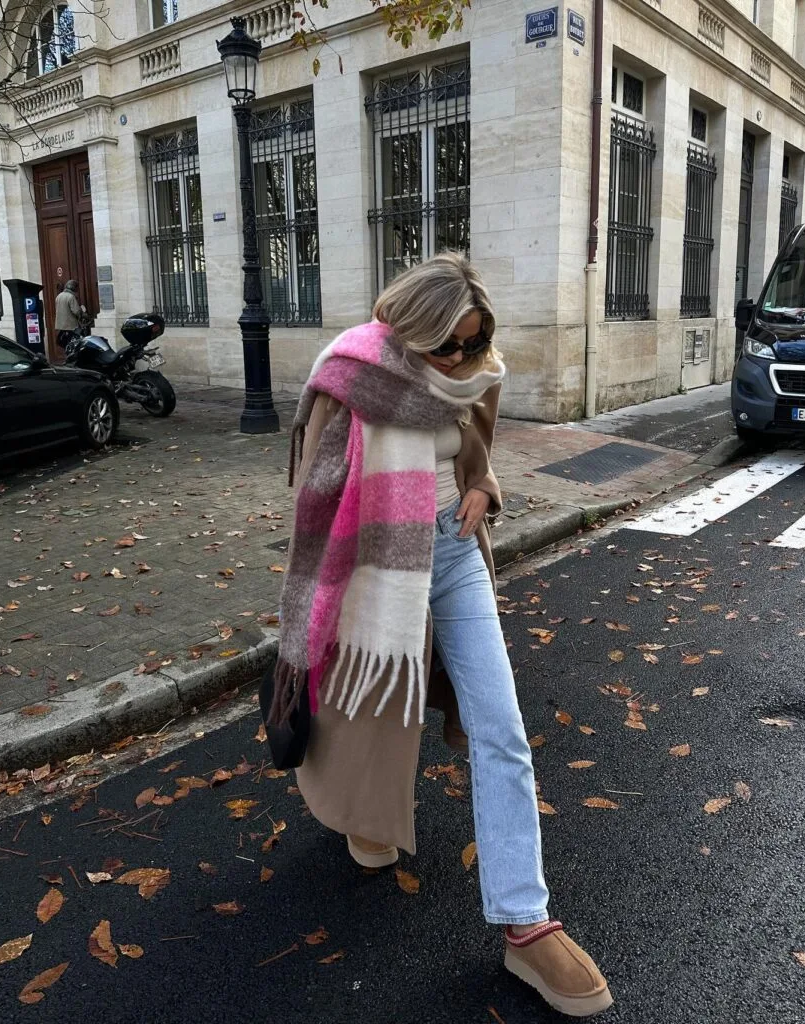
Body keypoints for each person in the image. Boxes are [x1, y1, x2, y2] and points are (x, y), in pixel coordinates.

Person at [272, 252, 613, 1018]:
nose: (462, 358)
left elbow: (474, 449)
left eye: (472, 341)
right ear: (404, 329)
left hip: (453, 561)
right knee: (367, 716)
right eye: (447, 345)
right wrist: (329, 595)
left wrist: (484, 488)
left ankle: (525, 926)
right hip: (370, 567)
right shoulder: (350, 379)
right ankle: (362, 815)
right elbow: (313, 503)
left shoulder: (472, 373)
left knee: (502, 729)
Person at [54, 280, 85, 349]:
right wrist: (82, 312)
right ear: (74, 288)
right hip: (70, 326)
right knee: (74, 345)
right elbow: (76, 311)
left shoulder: (59, 296)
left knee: (66, 345)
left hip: (61, 326)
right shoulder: (71, 296)